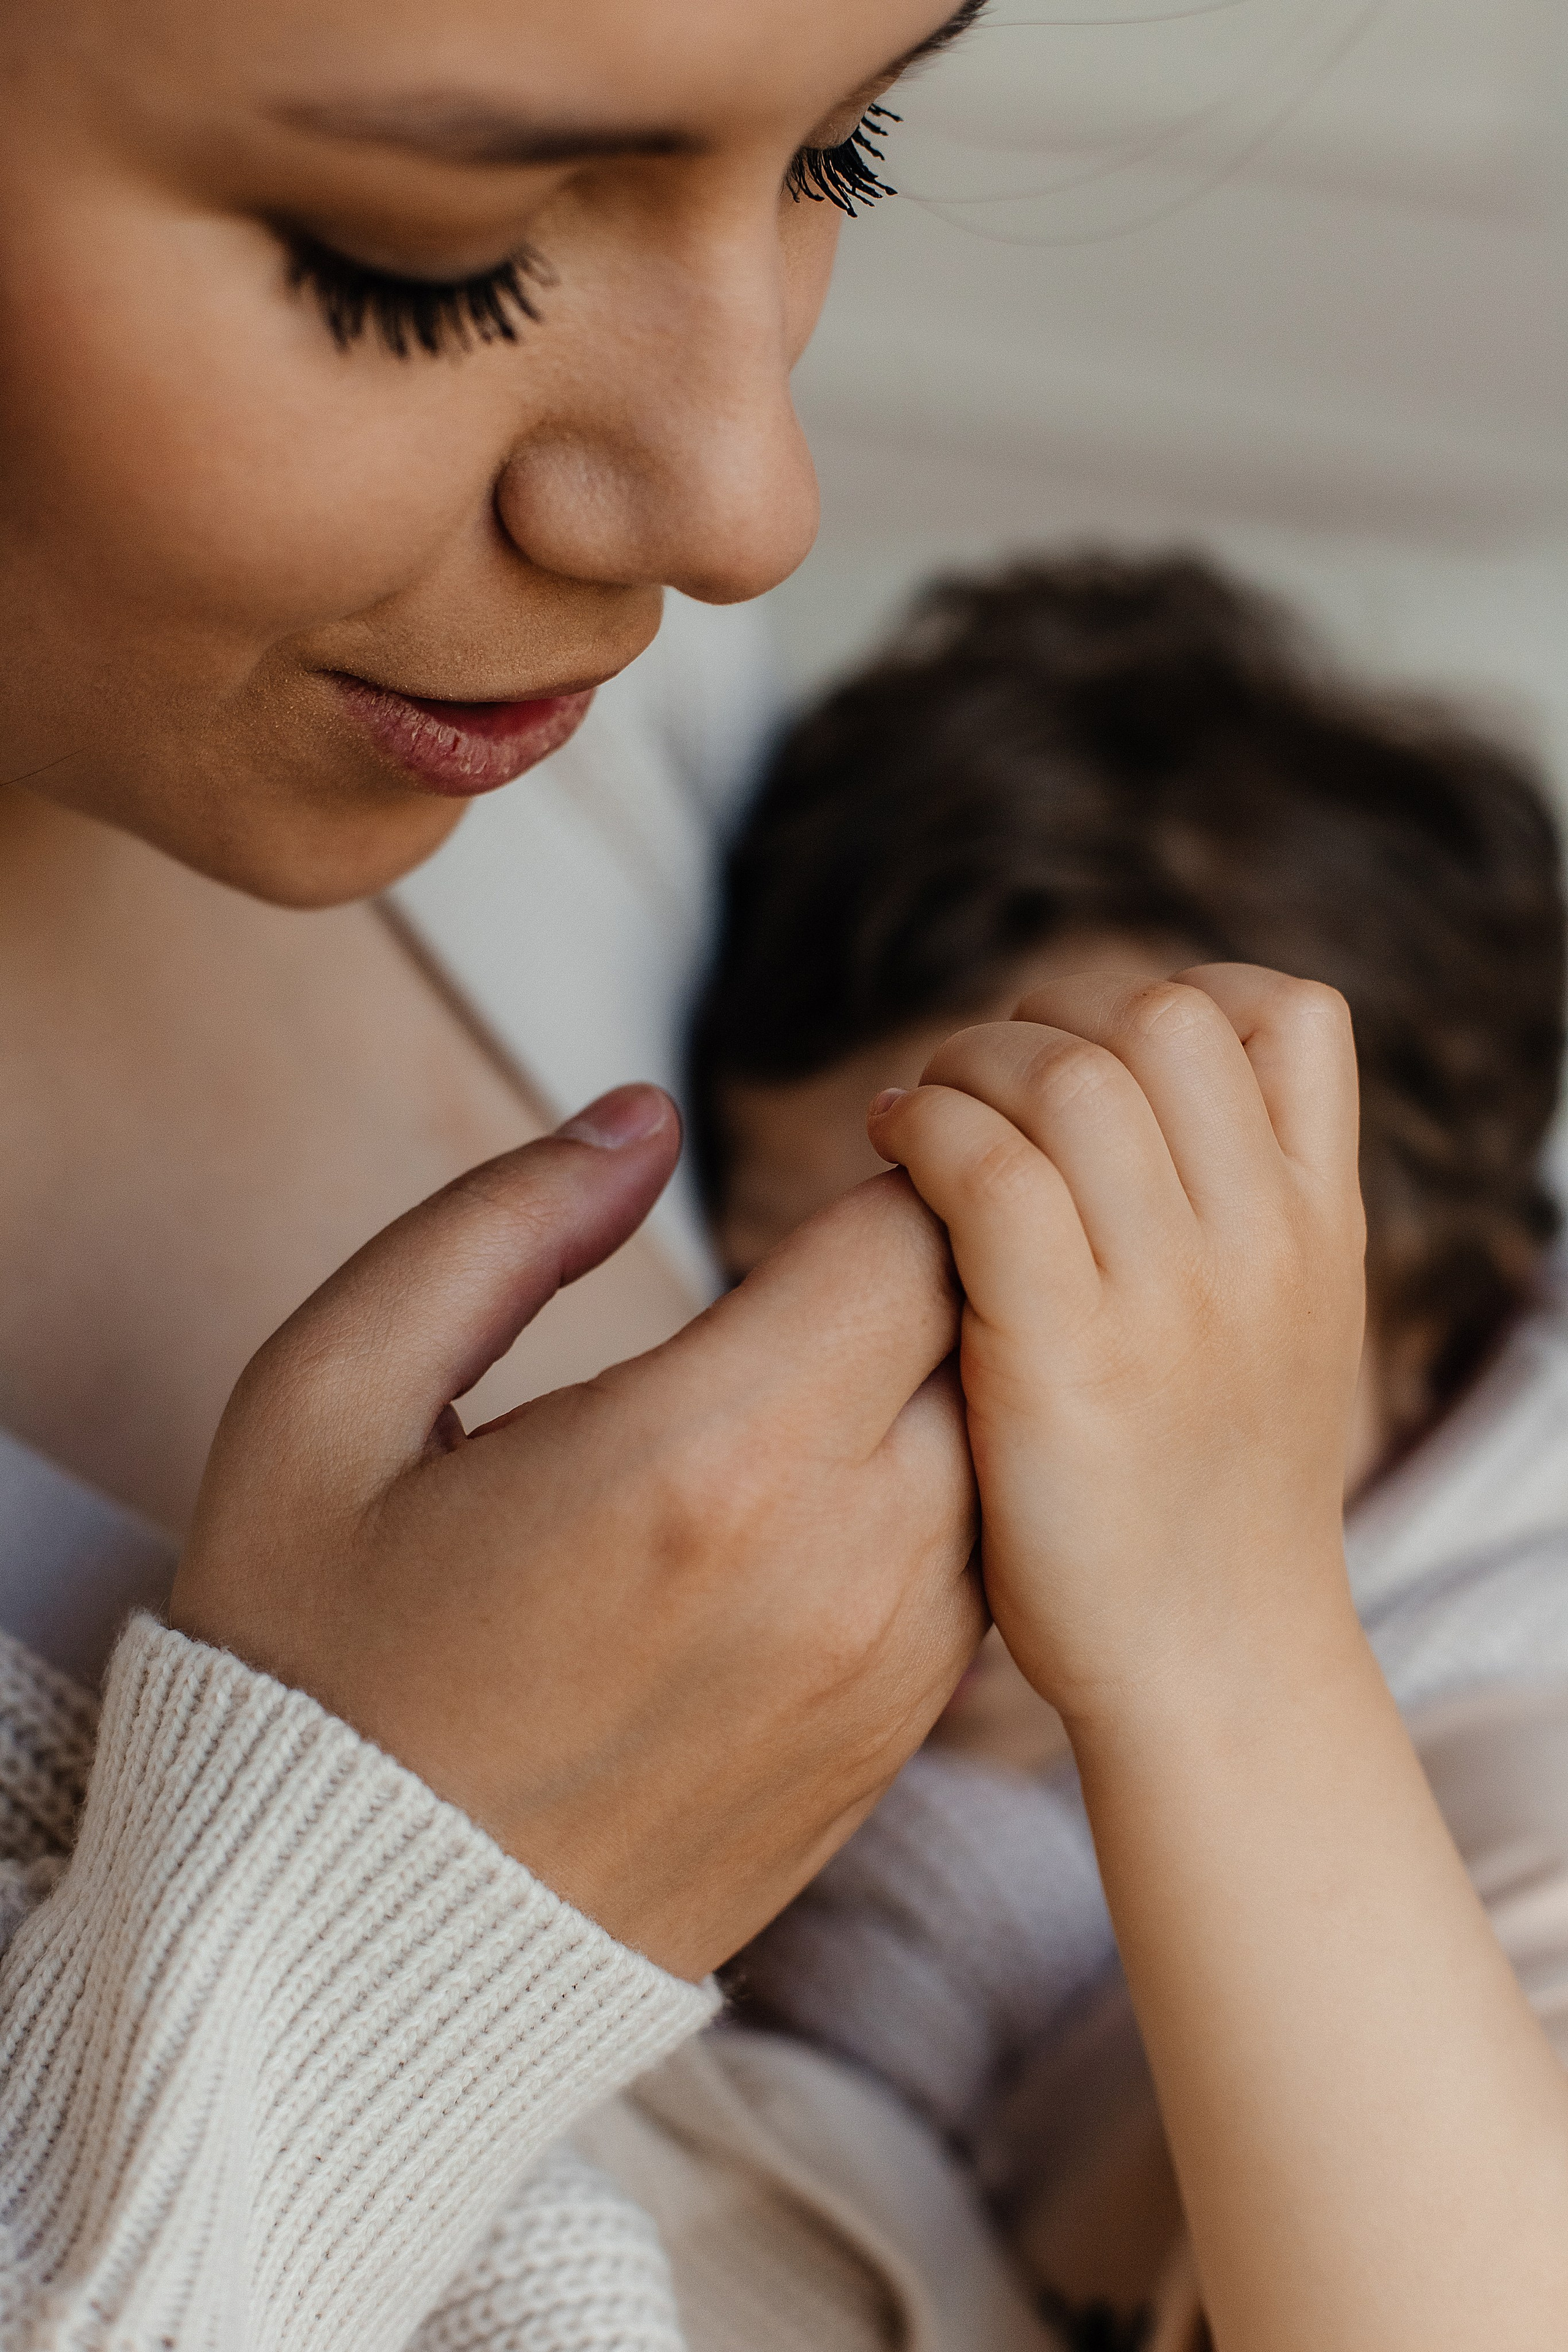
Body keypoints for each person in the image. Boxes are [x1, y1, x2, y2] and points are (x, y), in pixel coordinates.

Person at [0, 1, 1564, 2342]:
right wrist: (365, 1935)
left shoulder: (542, 750)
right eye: (419, 251)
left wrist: (1236, 1658)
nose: (749, 509)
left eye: (847, 153)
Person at [690, 553, 1568, 2342]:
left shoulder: (1519, 1773)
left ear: (1431, 1305)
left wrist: (1214, 1628)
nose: (898, 1434)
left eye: (1080, 1284)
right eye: (791, 1291)